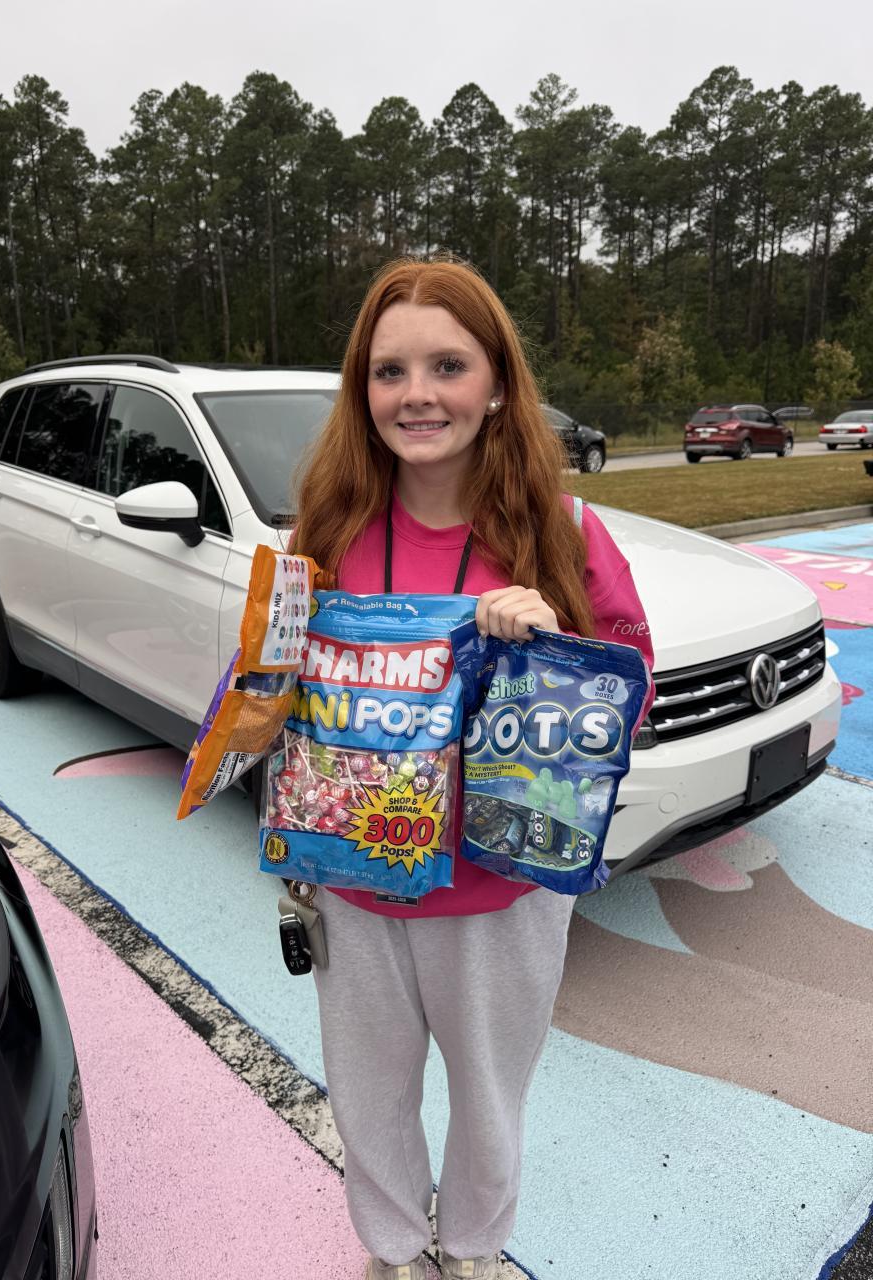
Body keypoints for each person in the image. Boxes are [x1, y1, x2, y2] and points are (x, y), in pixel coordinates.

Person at [290, 256, 655, 1280]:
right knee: (368, 1096)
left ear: (496, 383)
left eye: (447, 365)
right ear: (363, 390)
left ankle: (473, 1250)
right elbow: (279, 695)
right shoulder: (325, 529)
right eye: (389, 370)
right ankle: (394, 1249)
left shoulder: (563, 533)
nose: (417, 395)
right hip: (357, 881)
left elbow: (630, 697)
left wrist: (550, 648)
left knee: (490, 1099)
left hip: (501, 890)